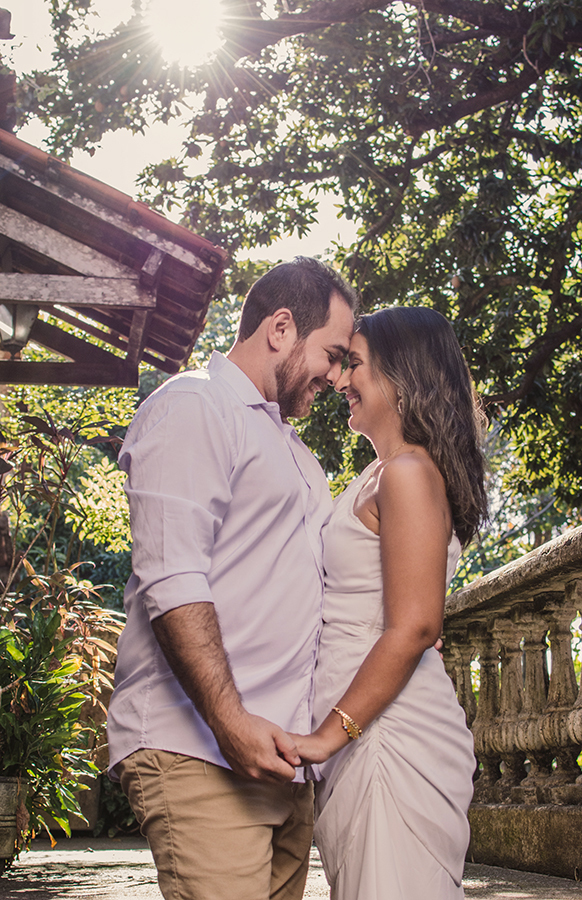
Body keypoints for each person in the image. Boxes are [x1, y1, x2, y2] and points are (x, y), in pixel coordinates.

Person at [106, 257, 357, 900]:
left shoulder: (299, 457)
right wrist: (229, 720)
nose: (337, 376)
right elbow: (173, 576)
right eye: (331, 354)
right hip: (203, 749)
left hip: (283, 760)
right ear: (280, 328)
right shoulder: (195, 405)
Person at [291, 306, 488, 900]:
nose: (339, 380)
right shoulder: (384, 472)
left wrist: (329, 736)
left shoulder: (406, 473)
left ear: (402, 378)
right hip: (364, 732)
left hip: (384, 735)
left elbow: (416, 625)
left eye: (355, 365)